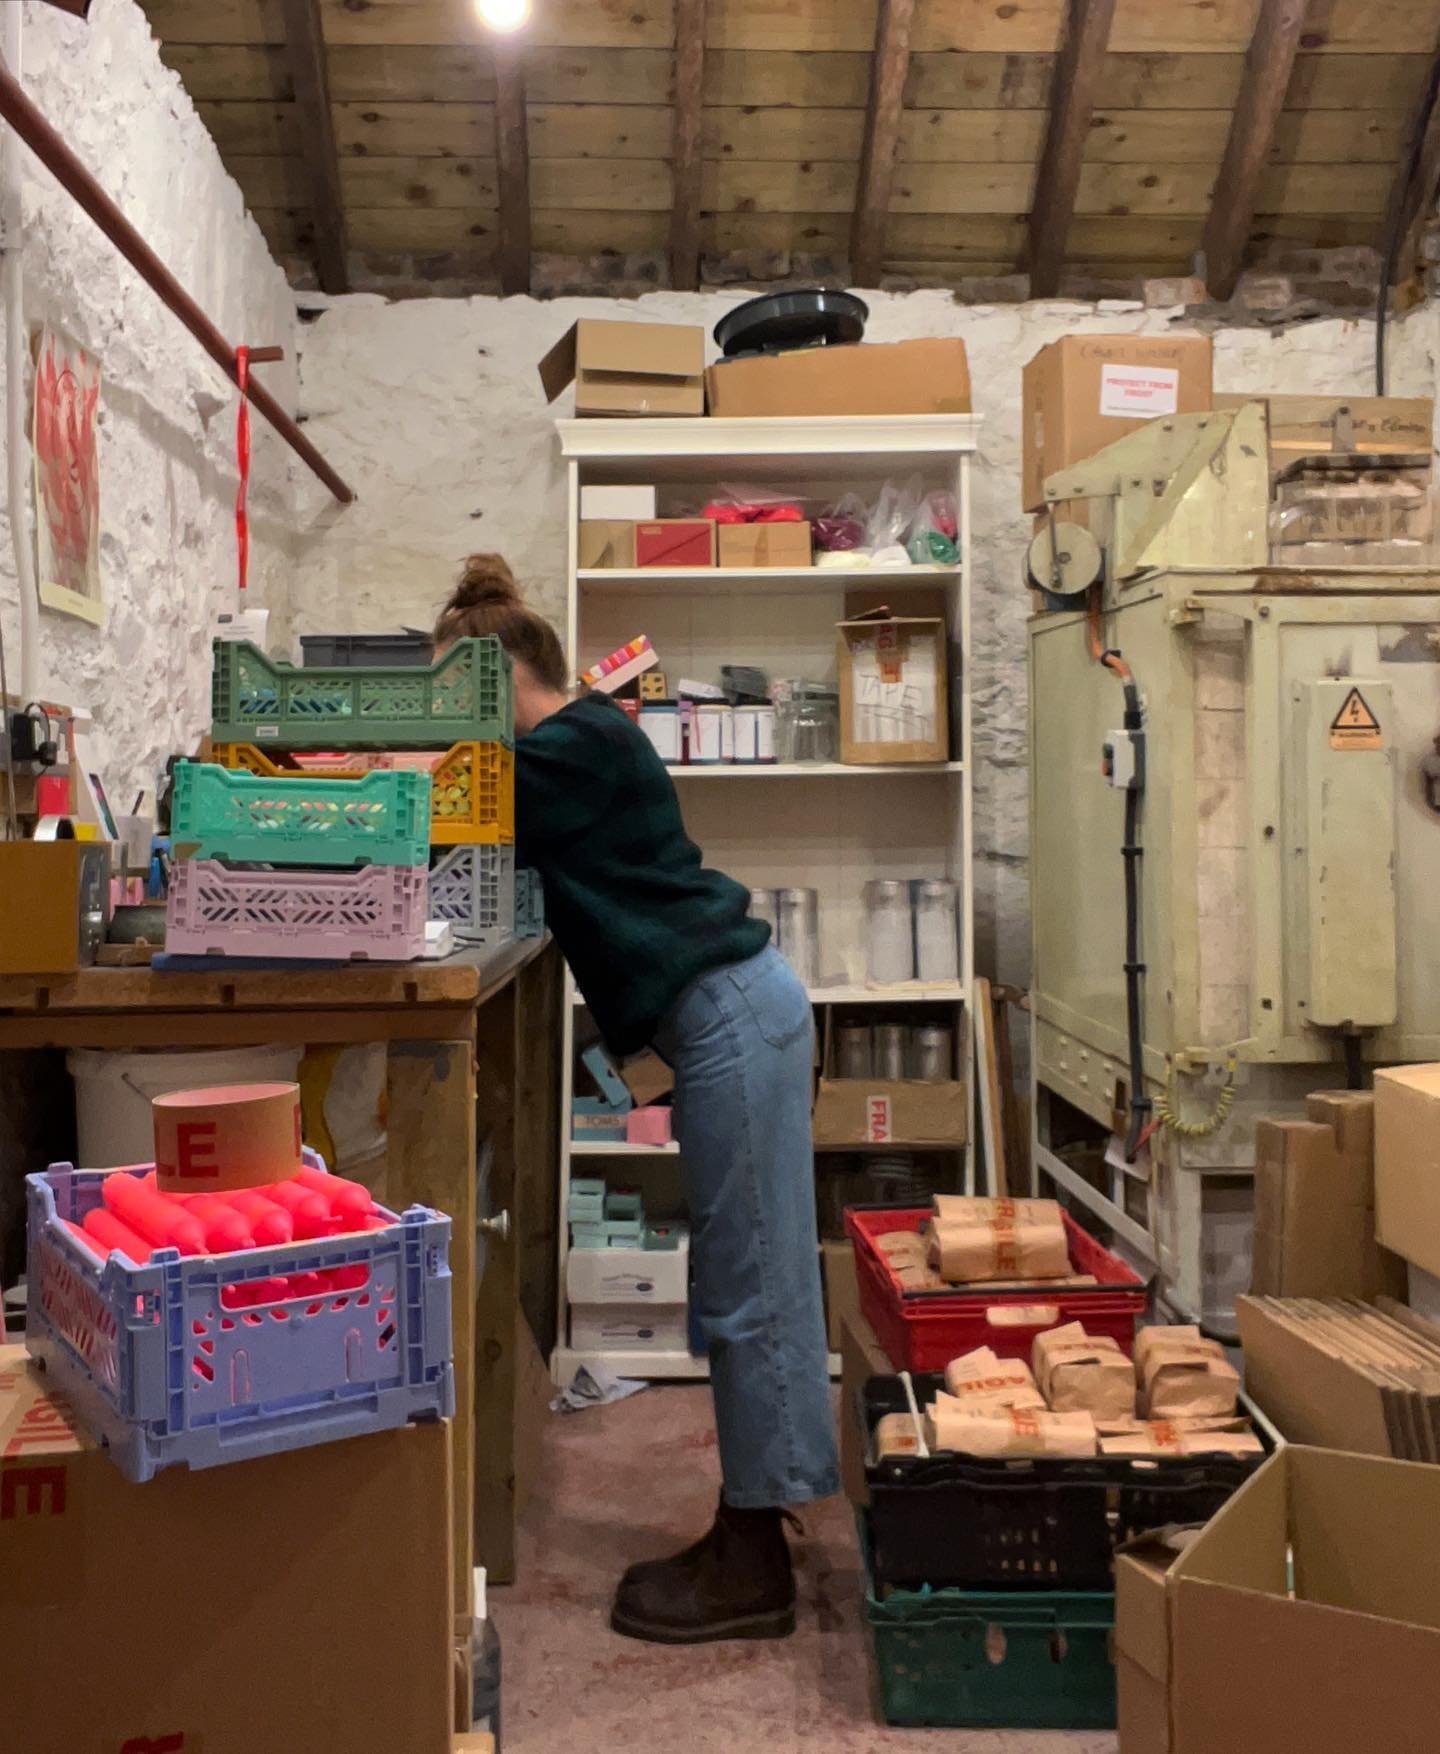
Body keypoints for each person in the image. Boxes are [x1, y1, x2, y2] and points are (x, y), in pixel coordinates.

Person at [435, 555, 838, 1645]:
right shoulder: (585, 738)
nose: (452, 727)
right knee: (736, 1276)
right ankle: (753, 1514)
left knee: (753, 1288)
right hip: (729, 1015)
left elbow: (439, 810)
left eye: (451, 698)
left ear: (490, 679)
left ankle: (757, 1559)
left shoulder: (569, 745)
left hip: (732, 1015)